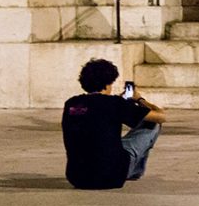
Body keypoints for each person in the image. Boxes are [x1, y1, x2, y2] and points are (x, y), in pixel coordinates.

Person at [62, 58, 166, 189]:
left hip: (77, 177)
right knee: (153, 124)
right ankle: (133, 171)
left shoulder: (71, 103)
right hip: (111, 177)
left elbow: (97, 110)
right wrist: (139, 99)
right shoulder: (115, 104)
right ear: (107, 84)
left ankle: (129, 170)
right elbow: (161, 116)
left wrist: (121, 102)